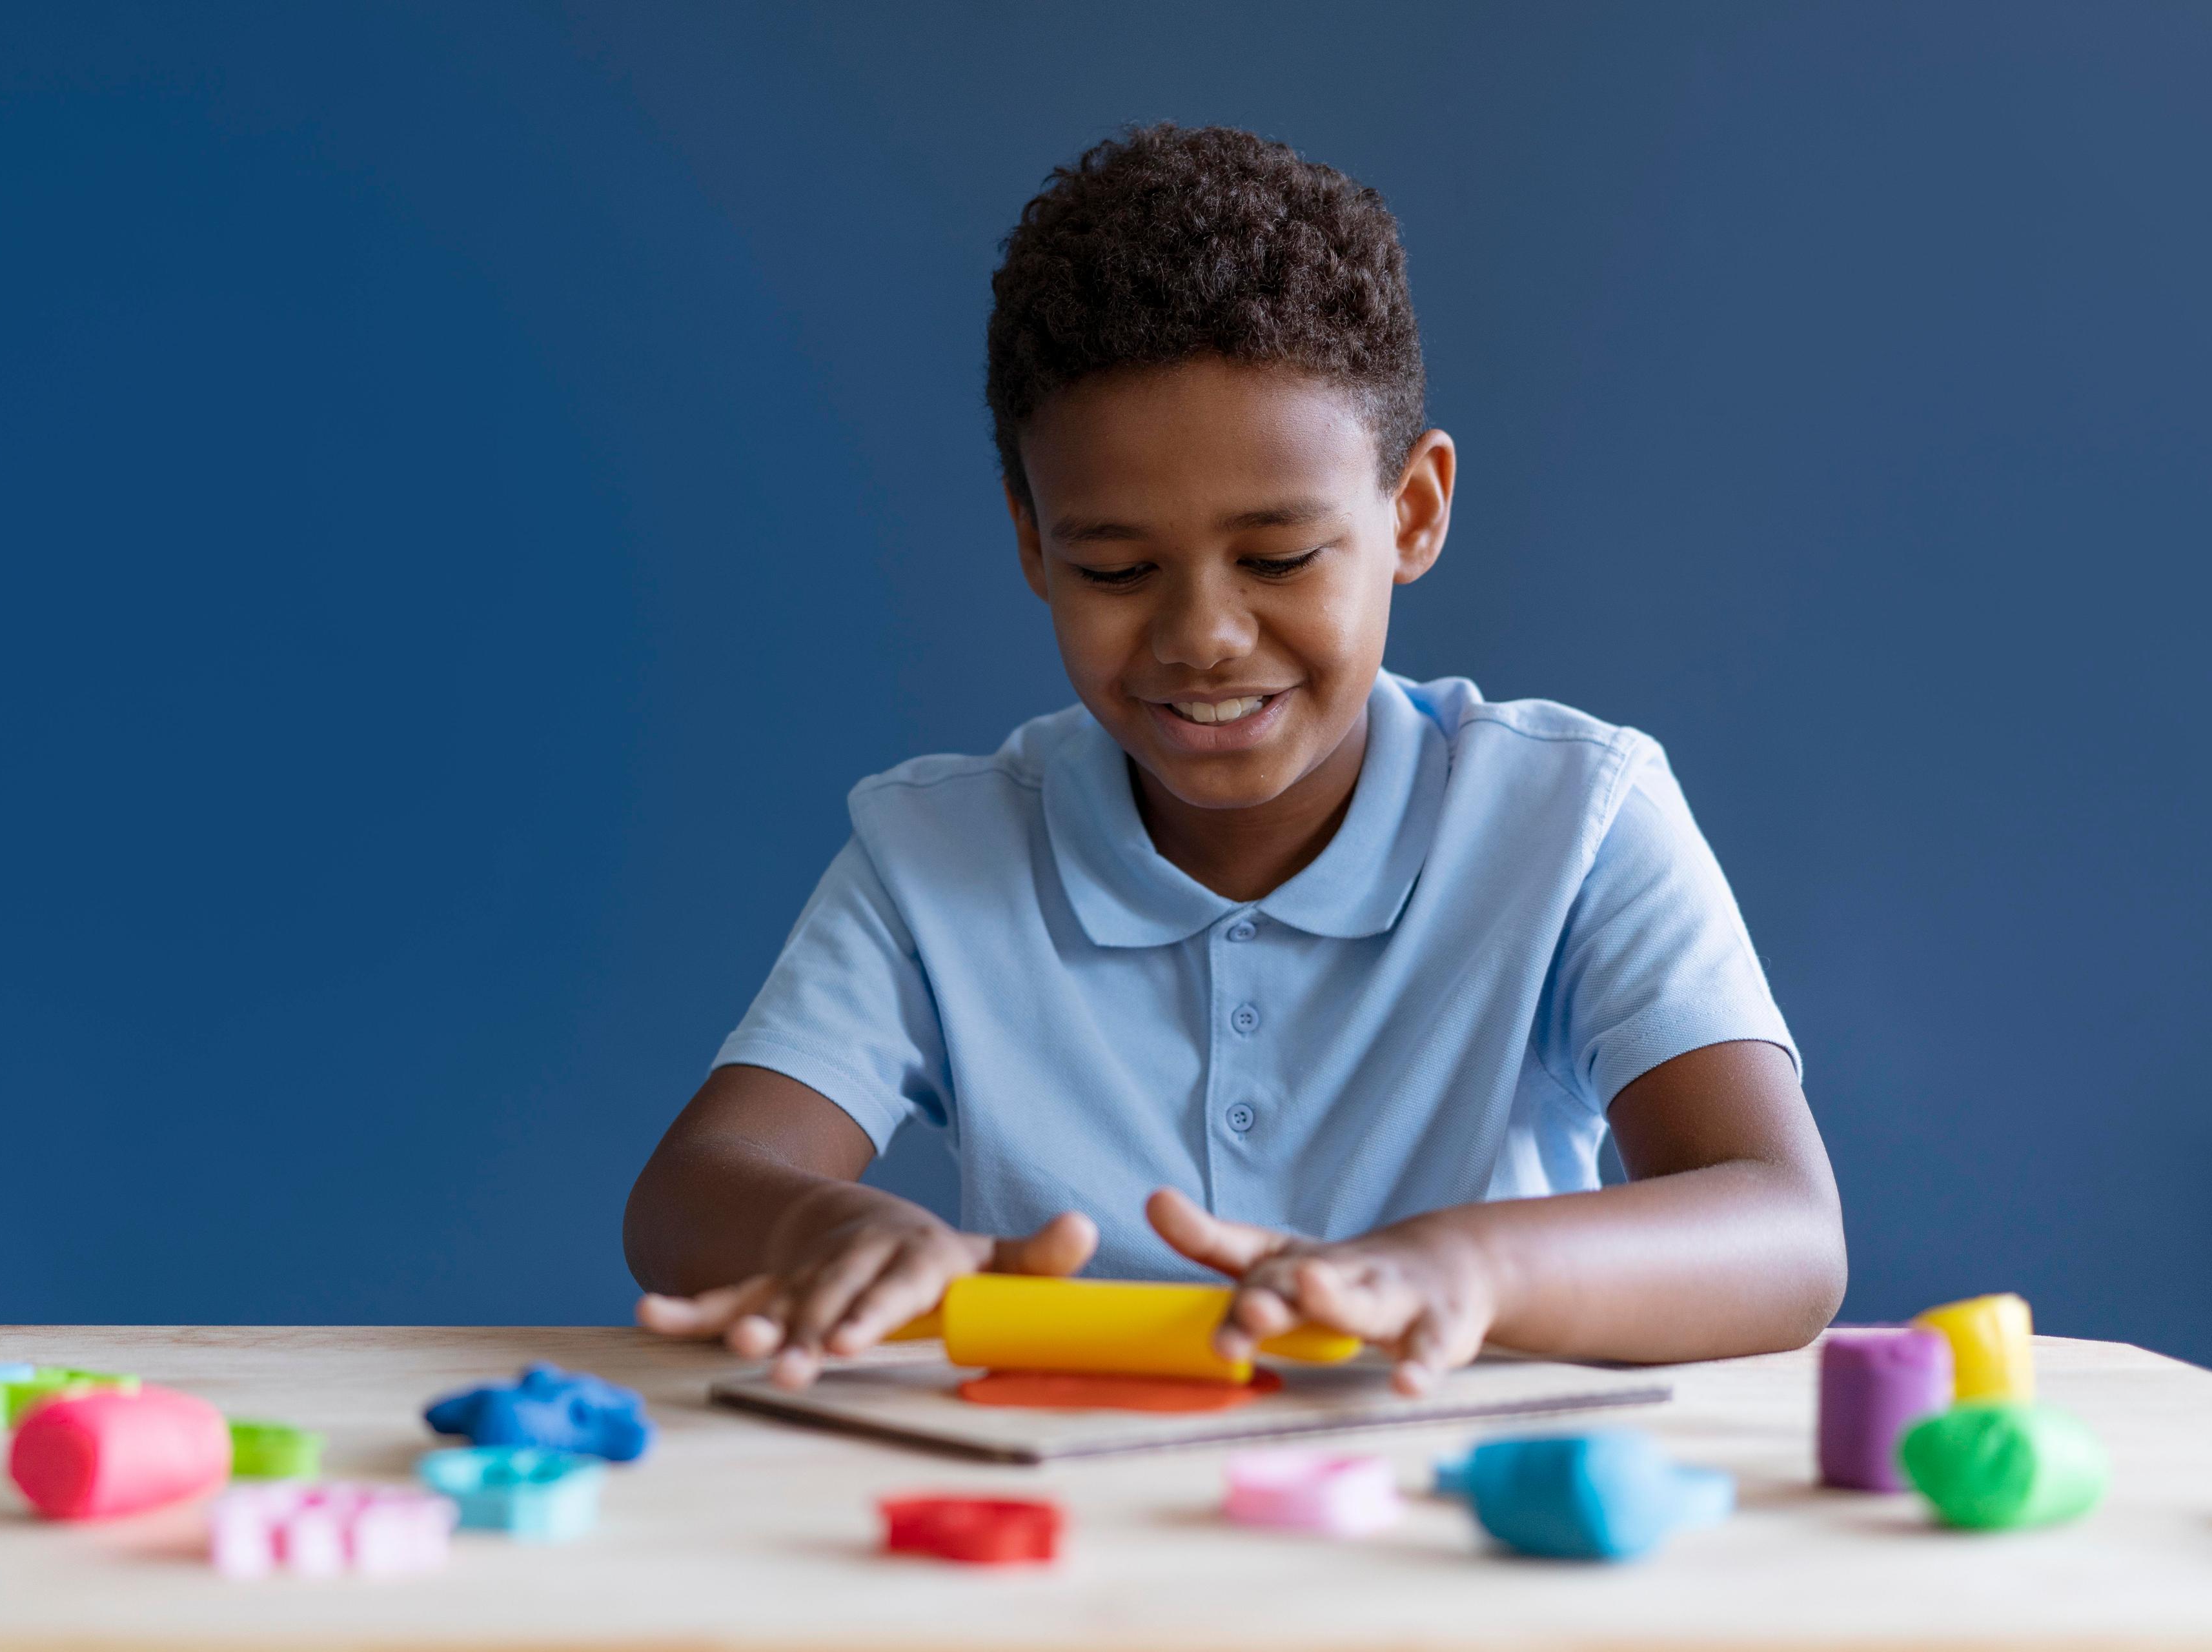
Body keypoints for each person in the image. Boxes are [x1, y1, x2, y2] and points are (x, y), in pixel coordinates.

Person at [624, 124, 1845, 1392]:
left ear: (1412, 513)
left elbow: (1786, 1231)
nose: (1203, 636)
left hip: (1461, 1535)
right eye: (1114, 568)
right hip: (1068, 1542)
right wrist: (839, 1227)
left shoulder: (1573, 818)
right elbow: (686, 1196)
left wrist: (1464, 1268)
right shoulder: (938, 854)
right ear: (1035, 546)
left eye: (1278, 558)